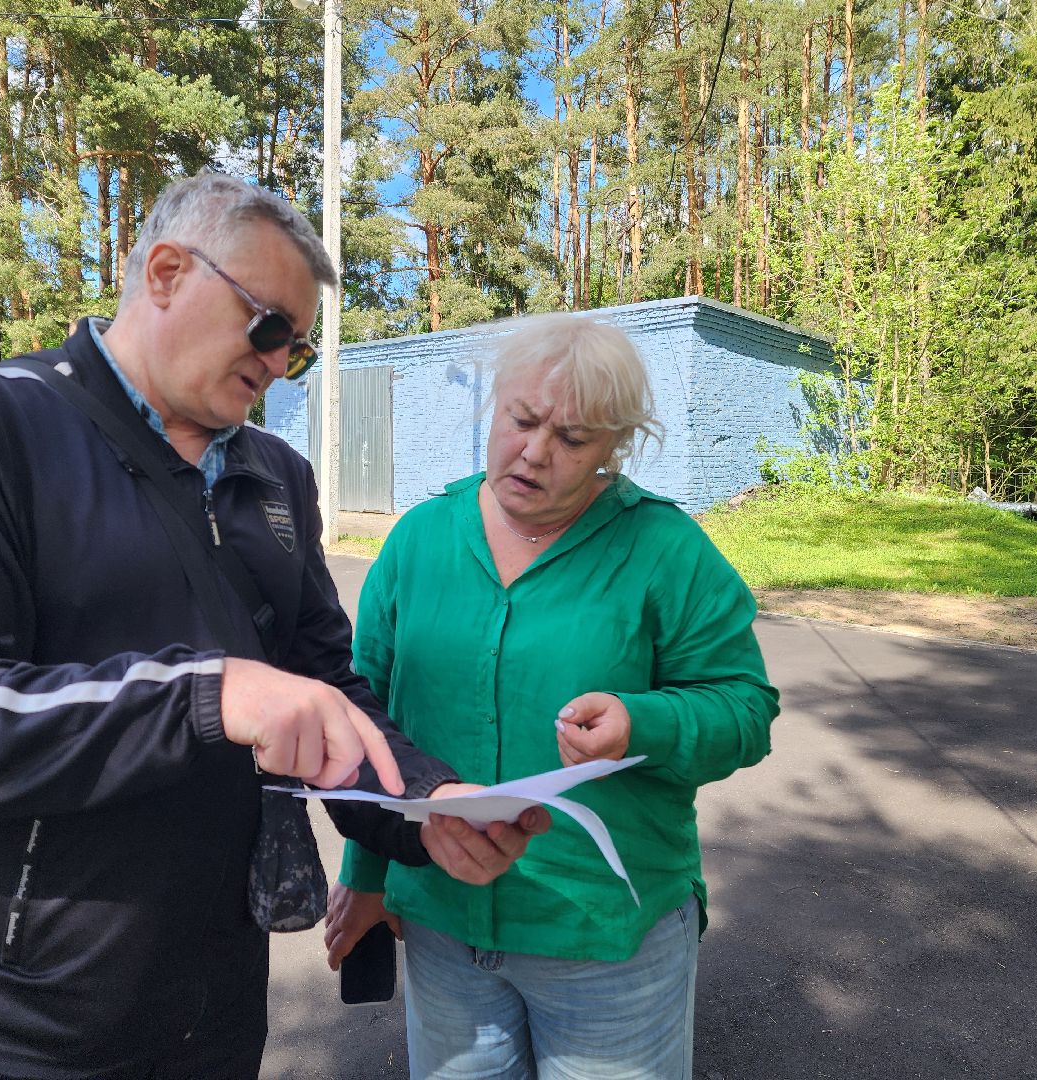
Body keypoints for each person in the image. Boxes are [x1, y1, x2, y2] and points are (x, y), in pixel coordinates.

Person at [0, 172, 547, 1080]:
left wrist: (427, 808)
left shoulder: (279, 476)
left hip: (213, 1016)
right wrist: (204, 695)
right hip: (9, 1032)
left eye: (301, 348)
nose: (281, 363)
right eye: (270, 326)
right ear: (166, 272)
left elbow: (328, 691)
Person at [323, 313, 780, 1080]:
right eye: (522, 420)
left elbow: (745, 708)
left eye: (573, 439)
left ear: (616, 449)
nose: (535, 452)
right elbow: (369, 721)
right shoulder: (418, 540)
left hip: (604, 934)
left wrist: (646, 720)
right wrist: (366, 877)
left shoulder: (664, 551)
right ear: (494, 406)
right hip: (442, 925)